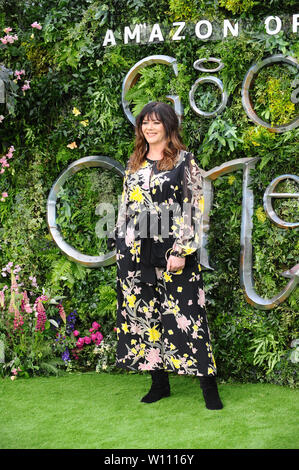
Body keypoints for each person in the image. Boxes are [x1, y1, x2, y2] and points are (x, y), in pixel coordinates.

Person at [108, 101, 223, 410]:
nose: (149, 127)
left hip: (172, 250)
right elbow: (126, 205)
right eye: (145, 122)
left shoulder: (185, 162)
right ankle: (159, 383)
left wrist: (182, 250)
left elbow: (193, 207)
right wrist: (119, 237)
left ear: (169, 126)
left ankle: (208, 388)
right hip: (135, 252)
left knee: (188, 316)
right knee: (145, 315)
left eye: (156, 122)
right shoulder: (135, 160)